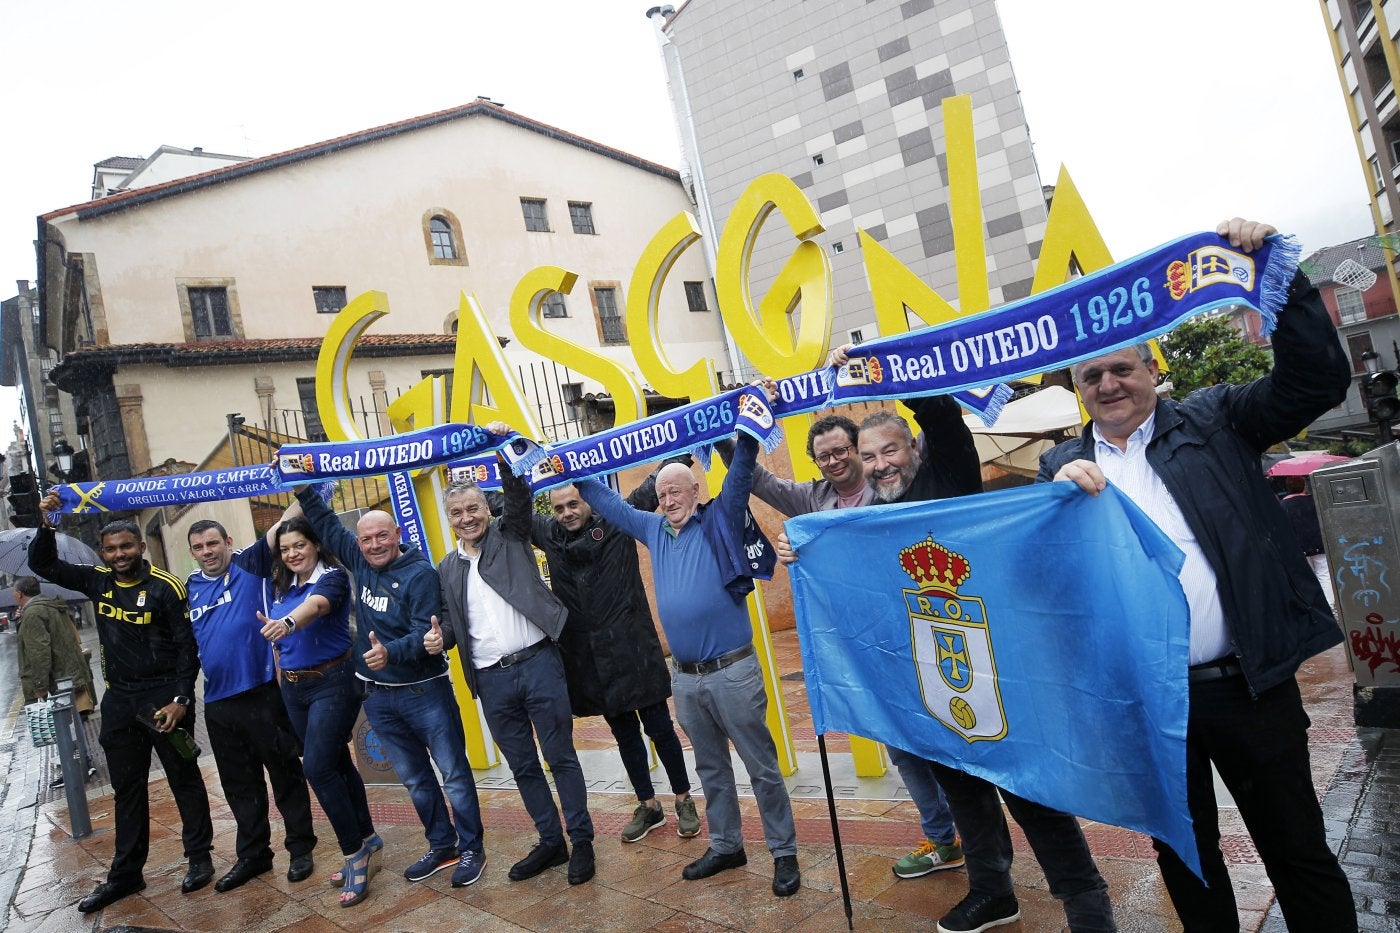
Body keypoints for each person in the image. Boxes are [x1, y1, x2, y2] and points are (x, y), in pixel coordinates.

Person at [1042, 217, 1356, 932]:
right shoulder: (1061, 468)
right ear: (1077, 389)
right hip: (1149, 702)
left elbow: (1316, 378)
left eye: (1122, 367)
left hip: (1249, 685)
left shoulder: (1217, 418)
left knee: (1296, 852)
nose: (1109, 382)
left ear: (1152, 367)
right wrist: (1062, 475)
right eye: (1092, 374)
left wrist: (1285, 282)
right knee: (1186, 858)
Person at [780, 385, 1117, 933]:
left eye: (889, 451)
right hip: (929, 685)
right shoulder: (864, 520)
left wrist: (887, 370)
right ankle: (992, 892)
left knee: (1029, 791)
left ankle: (1085, 897)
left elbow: (939, 416)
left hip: (995, 675)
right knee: (964, 793)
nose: (879, 465)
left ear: (912, 450)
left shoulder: (948, 479)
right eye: (868, 458)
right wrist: (802, 549)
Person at [573, 383, 801, 899]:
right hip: (688, 679)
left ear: (695, 490)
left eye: (677, 491)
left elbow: (741, 472)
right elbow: (605, 501)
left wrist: (747, 423)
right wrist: (563, 464)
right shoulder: (653, 529)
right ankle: (726, 845)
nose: (668, 499)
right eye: (662, 494)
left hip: (733, 672)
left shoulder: (718, 516)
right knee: (711, 767)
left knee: (761, 767)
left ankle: (783, 853)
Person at [720, 416, 965, 880]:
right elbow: (758, 479)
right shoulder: (813, 499)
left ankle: (976, 832)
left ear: (859, 449)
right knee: (901, 746)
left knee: (945, 738)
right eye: (824, 456)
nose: (834, 461)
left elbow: (939, 438)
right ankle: (942, 837)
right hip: (867, 645)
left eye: (842, 451)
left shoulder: (895, 485)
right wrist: (722, 433)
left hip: (921, 634)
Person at [294, 485, 487, 890]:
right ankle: (442, 844)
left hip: (425, 692)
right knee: (416, 780)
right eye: (366, 538)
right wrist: (302, 486)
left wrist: (390, 653)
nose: (374, 544)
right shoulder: (359, 561)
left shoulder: (419, 574)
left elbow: (426, 632)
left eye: (382, 536)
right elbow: (328, 526)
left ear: (397, 534)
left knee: (452, 774)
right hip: (379, 697)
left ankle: (472, 848)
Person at [30, 496, 215, 914]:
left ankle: (199, 857)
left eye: (125, 547)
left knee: (183, 779)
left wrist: (181, 701)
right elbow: (44, 565)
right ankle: (126, 874)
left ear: (141, 548)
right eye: (111, 549)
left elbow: (189, 649)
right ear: (103, 552)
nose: (118, 556)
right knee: (126, 791)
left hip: (163, 699)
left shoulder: (166, 588)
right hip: (119, 701)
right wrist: (46, 523)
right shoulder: (96, 580)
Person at [426, 446, 597, 886]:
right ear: (449, 519)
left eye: (473, 508)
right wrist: (439, 637)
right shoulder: (446, 568)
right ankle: (550, 841)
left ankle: (582, 842)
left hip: (538, 664)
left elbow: (518, 493)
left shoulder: (512, 533)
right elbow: (451, 620)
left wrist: (504, 454)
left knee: (560, 757)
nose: (467, 518)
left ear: (487, 509)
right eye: (457, 512)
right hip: (491, 679)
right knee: (522, 767)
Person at [527, 464, 699, 845]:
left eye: (574, 503)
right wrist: (507, 466)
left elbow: (655, 485)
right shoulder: (550, 536)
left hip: (634, 650)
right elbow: (511, 507)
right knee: (624, 736)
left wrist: (688, 442)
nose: (568, 512)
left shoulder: (617, 520)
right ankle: (648, 805)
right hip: (593, 663)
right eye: (559, 508)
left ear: (587, 500)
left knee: (660, 730)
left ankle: (684, 798)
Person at [255, 515, 383, 907]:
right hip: (295, 687)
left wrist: (288, 623)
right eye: (286, 548)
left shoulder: (331, 578)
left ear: (315, 545)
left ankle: (353, 852)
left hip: (333, 680)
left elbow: (317, 607)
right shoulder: (282, 583)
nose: (293, 553)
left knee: (317, 767)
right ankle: (368, 837)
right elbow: (283, 644)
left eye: (300, 545)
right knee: (338, 764)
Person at [185, 519, 317, 893]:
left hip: (261, 692)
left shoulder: (249, 565)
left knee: (284, 774)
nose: (208, 552)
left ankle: (300, 847)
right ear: (193, 553)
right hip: (217, 701)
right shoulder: (190, 588)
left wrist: (298, 470)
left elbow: (283, 524)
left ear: (228, 541)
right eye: (199, 547)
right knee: (240, 785)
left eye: (213, 543)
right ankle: (254, 855)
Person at [15, 575, 94, 711]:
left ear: (20, 594)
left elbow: (39, 652)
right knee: (71, 719)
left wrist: (41, 686)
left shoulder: (33, 614)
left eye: (14, 593)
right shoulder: (51, 606)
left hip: (55, 682)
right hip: (67, 676)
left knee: (59, 725)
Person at [1281, 476, 1338, 614]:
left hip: (1299, 547)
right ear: (1304, 486)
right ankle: (1329, 605)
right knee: (1324, 575)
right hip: (1318, 542)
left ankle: (1315, 606)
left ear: (1288, 488)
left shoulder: (1283, 505)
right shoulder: (1314, 500)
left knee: (1309, 577)